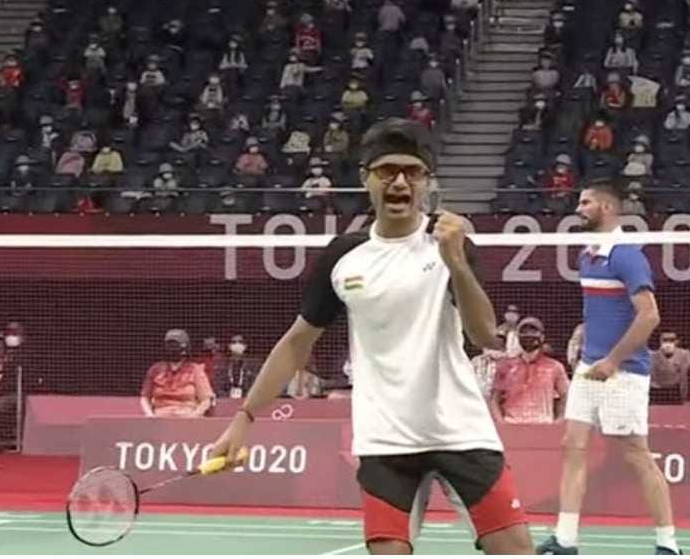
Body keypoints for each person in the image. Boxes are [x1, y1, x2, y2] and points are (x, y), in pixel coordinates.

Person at [208, 118, 532, 554]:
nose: (399, 182)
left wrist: (455, 261)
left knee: (515, 550)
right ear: (366, 179)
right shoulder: (344, 256)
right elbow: (297, 342)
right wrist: (243, 419)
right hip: (385, 440)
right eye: (387, 171)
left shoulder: (451, 243)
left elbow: (485, 335)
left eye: (412, 172)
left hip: (462, 431)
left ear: (427, 182)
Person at [536, 179, 678, 555]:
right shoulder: (587, 255)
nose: (578, 208)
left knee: (636, 454)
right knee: (572, 445)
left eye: (586, 202)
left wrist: (613, 360)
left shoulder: (626, 256)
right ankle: (565, 539)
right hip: (589, 368)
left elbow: (650, 316)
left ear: (608, 208)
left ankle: (668, 544)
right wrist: (590, 352)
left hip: (624, 372)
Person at [492, 318, 570, 424]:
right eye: (524, 332)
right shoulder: (505, 367)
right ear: (518, 337)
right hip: (512, 425)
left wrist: (558, 421)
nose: (528, 335)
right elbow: (495, 399)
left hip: (543, 426)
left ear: (542, 337)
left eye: (533, 331)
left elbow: (566, 397)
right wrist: (501, 423)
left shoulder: (555, 367)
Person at [140, 329, 214, 418]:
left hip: (187, 417)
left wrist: (194, 416)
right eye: (169, 345)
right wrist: (150, 414)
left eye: (175, 345)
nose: (172, 348)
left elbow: (206, 400)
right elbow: (145, 397)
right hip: (160, 417)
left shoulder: (195, 370)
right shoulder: (155, 369)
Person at [649, 331, 690, 405]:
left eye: (671, 340)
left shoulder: (685, 354)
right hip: (656, 391)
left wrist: (683, 399)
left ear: (677, 341)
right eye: (665, 340)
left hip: (675, 391)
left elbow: (683, 378)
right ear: (660, 341)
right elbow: (652, 377)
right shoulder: (652, 355)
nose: (668, 343)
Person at [218, 335, 261, 399]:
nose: (237, 344)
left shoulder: (254, 364)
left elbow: (256, 386)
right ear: (229, 346)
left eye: (240, 342)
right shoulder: (223, 365)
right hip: (227, 400)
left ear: (245, 346)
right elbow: (219, 387)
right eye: (234, 342)